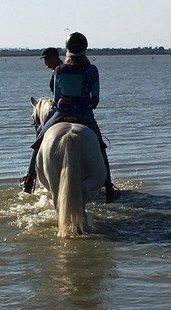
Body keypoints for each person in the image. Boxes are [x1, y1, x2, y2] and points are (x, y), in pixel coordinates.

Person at [21, 32, 119, 202]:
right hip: (84, 114)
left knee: (39, 140)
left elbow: (58, 97)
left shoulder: (59, 70)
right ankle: (109, 187)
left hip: (62, 112)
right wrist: (87, 103)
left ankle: (29, 179)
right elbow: (95, 98)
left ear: (67, 50)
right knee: (101, 146)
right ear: (84, 49)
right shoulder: (91, 70)